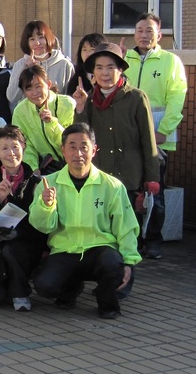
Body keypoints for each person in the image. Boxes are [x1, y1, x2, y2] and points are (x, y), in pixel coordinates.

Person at [30, 123, 141, 319]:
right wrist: (46, 205)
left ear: (94, 150)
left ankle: (108, 305)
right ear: (63, 150)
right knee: (44, 285)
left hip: (100, 249)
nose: (78, 153)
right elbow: (41, 226)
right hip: (65, 249)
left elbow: (126, 227)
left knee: (113, 267)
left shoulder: (112, 186)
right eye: (72, 146)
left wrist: (129, 262)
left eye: (84, 146)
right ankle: (71, 289)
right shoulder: (49, 183)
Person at [72, 42, 160, 261]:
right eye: (99, 67)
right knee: (103, 230)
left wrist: (152, 178)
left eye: (110, 67)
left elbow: (148, 141)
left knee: (128, 231)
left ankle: (126, 275)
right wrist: (80, 108)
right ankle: (109, 274)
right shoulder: (90, 99)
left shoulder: (136, 97)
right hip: (100, 175)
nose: (104, 73)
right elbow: (83, 137)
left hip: (129, 176)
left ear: (120, 69)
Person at [123, 13, 187, 260]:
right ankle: (133, 238)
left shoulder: (170, 61)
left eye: (149, 30)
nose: (144, 34)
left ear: (159, 35)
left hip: (157, 138)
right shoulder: (123, 58)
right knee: (129, 190)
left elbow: (176, 97)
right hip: (128, 138)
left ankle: (153, 240)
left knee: (154, 190)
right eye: (139, 30)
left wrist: (164, 130)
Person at [0, 126, 47, 311]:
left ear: (23, 147)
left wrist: (17, 233)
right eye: (4, 148)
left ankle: (20, 291)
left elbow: (40, 224)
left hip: (24, 247)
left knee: (12, 248)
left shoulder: (36, 183)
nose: (11, 153)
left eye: (15, 146)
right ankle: (5, 284)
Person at [12, 65, 76, 173]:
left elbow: (71, 141)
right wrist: (33, 168)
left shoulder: (67, 104)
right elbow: (24, 144)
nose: (34, 92)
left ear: (48, 84)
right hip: (46, 167)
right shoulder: (20, 111)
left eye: (38, 86)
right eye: (28, 88)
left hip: (74, 163)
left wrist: (51, 123)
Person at [6, 20, 75, 110]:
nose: (37, 43)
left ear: (48, 38)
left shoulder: (64, 65)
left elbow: (70, 99)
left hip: (57, 118)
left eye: (41, 37)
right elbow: (12, 97)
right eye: (32, 39)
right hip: (28, 119)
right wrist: (24, 68)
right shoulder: (20, 64)